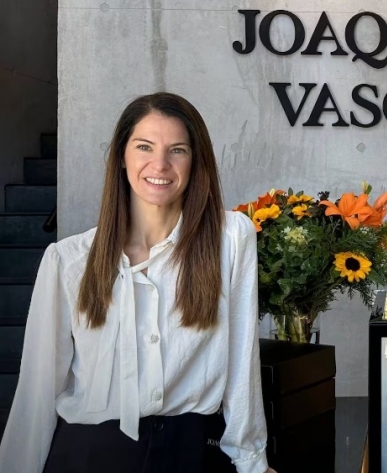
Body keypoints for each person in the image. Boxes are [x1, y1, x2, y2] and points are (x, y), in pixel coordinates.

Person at [0, 92, 277, 473]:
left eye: (177, 149)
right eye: (144, 146)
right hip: (87, 455)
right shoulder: (68, 260)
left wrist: (252, 461)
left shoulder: (229, 239)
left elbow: (242, 361)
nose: (159, 164)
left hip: (191, 454)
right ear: (122, 157)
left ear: (196, 161)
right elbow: (37, 392)